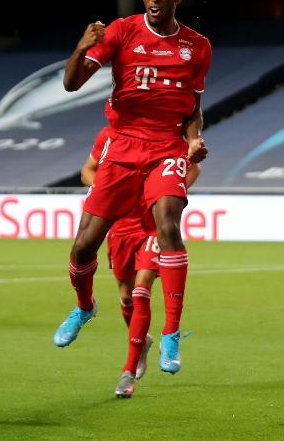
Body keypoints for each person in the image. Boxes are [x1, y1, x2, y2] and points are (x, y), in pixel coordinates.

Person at [54, 0, 211, 379]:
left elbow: (192, 109)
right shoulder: (122, 31)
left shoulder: (197, 47)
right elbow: (70, 84)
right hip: (122, 146)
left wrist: (194, 141)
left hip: (166, 147)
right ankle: (85, 307)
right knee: (83, 246)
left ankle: (172, 333)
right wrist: (81, 47)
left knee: (168, 222)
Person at [81, 123, 203, 398]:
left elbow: (193, 167)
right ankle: (142, 342)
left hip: (150, 226)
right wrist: (108, 187)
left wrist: (168, 190)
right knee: (126, 297)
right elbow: (87, 170)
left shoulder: (169, 136)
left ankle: (129, 368)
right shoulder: (110, 134)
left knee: (141, 289)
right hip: (121, 225)